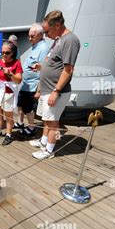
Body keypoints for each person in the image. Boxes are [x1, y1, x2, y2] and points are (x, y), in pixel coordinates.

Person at [30, 10, 80, 160]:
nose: (45, 35)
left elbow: (68, 69)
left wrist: (56, 91)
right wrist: (42, 68)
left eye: (46, 31)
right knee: (47, 119)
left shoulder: (70, 40)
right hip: (47, 89)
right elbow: (55, 64)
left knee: (53, 122)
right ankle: (44, 141)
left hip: (55, 90)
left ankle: (49, 150)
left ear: (57, 25)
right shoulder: (59, 39)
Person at [15, 23, 49, 137]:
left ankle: (31, 127)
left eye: (32, 36)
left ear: (40, 35)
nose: (29, 39)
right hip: (25, 84)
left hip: (32, 85)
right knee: (20, 104)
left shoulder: (43, 48)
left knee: (28, 108)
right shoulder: (35, 46)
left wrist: (39, 90)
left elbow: (45, 70)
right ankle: (20, 122)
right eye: (29, 36)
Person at [0, 42, 23, 145]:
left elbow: (19, 80)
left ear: (12, 53)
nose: (4, 55)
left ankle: (8, 134)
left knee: (8, 115)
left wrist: (10, 74)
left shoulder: (16, 63)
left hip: (8, 92)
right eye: (2, 52)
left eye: (7, 52)